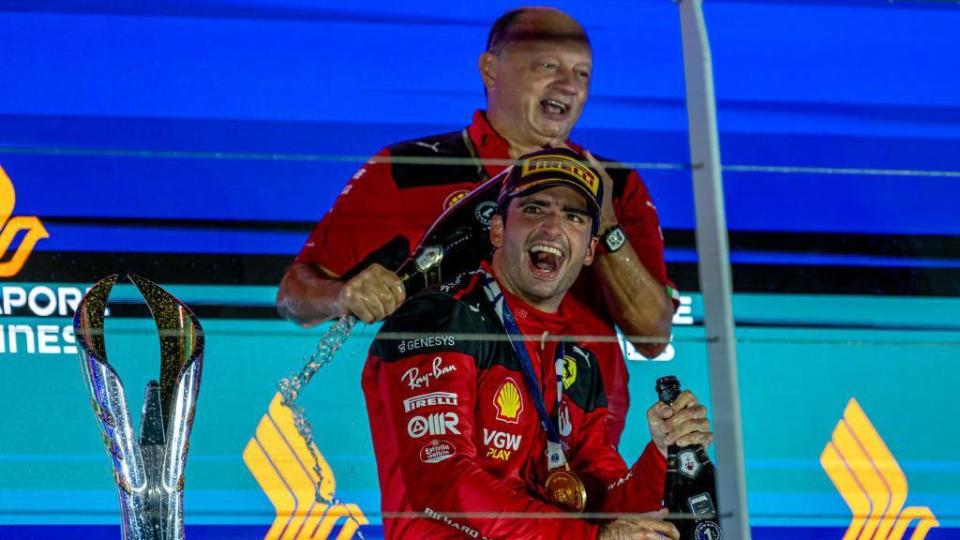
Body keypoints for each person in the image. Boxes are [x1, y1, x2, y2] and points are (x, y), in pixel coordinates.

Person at [277, 7, 678, 446]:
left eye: (582, 74)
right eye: (547, 66)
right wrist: (344, 295)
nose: (568, 86)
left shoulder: (615, 184)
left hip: (580, 454)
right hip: (448, 442)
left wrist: (607, 223)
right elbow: (294, 295)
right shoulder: (411, 168)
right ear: (490, 68)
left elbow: (653, 336)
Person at [362, 149, 712, 539]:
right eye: (533, 208)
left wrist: (661, 455)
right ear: (497, 230)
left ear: (590, 251)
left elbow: (602, 504)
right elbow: (443, 482)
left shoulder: (579, 358)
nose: (551, 227)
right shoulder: (438, 317)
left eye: (573, 216)